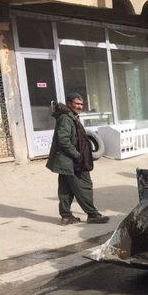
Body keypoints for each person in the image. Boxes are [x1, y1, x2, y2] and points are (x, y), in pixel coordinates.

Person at [46, 93, 109, 225]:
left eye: (81, 104)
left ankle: (66, 216)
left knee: (66, 189)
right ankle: (92, 214)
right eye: (77, 104)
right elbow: (62, 140)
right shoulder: (66, 118)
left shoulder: (70, 116)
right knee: (84, 185)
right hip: (70, 160)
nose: (80, 107)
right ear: (69, 104)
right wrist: (77, 155)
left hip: (65, 160)